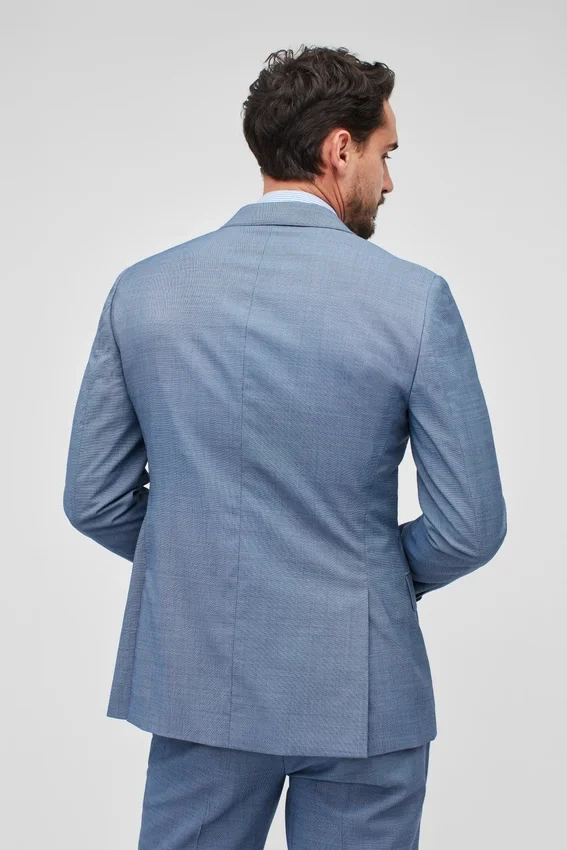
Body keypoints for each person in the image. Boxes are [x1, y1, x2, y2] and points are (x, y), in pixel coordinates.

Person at [63, 44, 507, 849]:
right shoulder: (412, 301)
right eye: (385, 154)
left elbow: (94, 500)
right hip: (362, 685)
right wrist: (366, 579)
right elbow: (469, 528)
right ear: (340, 149)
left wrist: (208, 566)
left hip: (200, 680)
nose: (389, 180)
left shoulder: (145, 292)